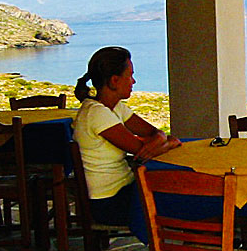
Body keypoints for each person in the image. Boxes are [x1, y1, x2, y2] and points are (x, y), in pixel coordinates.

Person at [73, 46, 180, 226]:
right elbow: (142, 151)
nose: (133, 81)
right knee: (182, 196)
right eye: (130, 76)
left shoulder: (115, 107)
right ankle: (199, 242)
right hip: (108, 202)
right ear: (114, 81)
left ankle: (196, 241)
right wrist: (169, 143)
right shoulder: (97, 113)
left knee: (178, 192)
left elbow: (152, 133)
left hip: (125, 189)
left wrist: (161, 138)